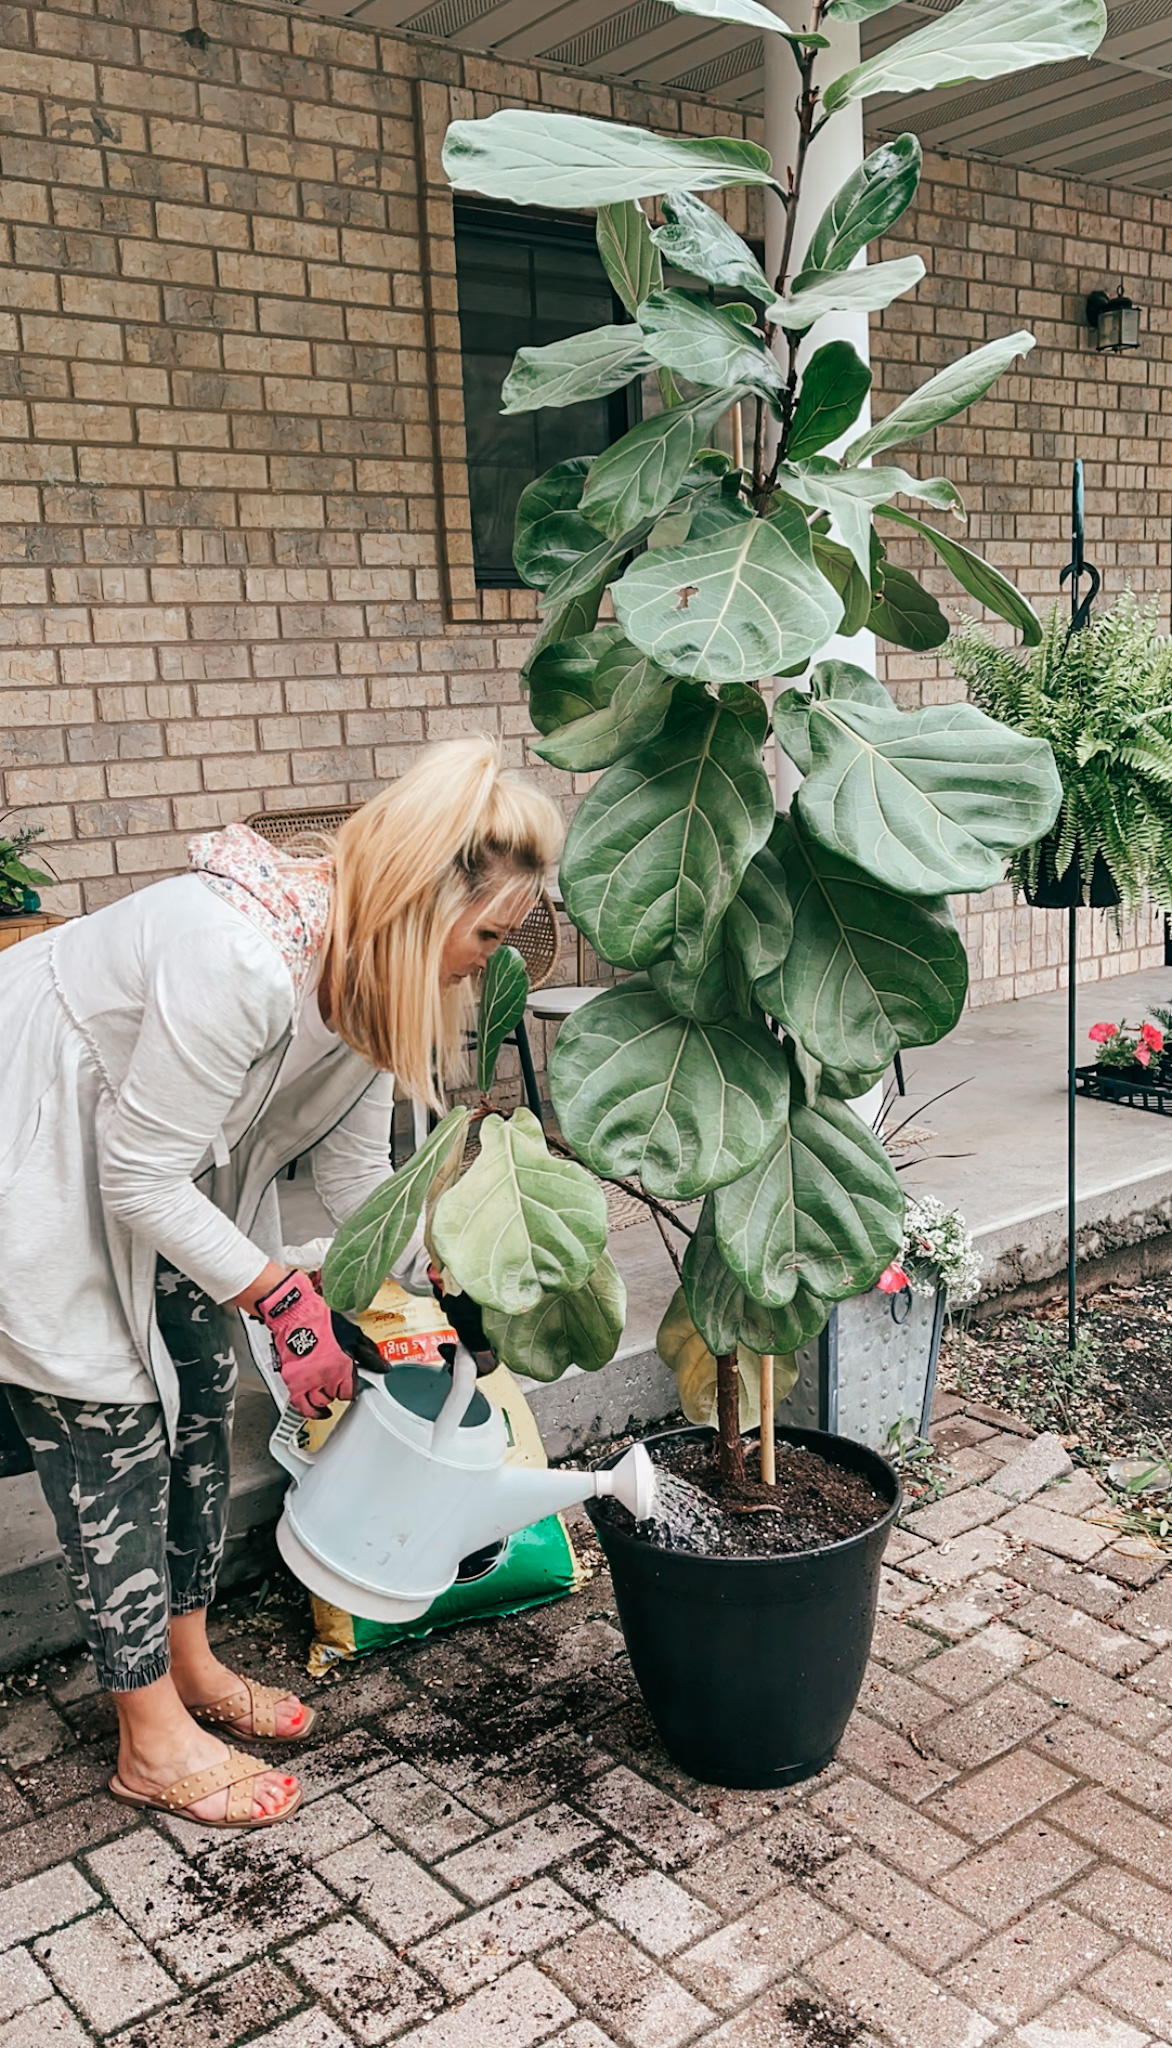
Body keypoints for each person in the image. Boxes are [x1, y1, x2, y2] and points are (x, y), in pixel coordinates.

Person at [0, 736, 563, 1830]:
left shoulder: (366, 980)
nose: (480, 966)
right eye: (485, 935)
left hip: (145, 1178)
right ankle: (146, 1732)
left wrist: (430, 1280)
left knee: (201, 1386)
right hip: (35, 1154)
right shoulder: (240, 956)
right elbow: (134, 1169)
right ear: (420, 896)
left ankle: (189, 1657)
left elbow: (356, 1178)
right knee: (114, 1427)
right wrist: (283, 1296)